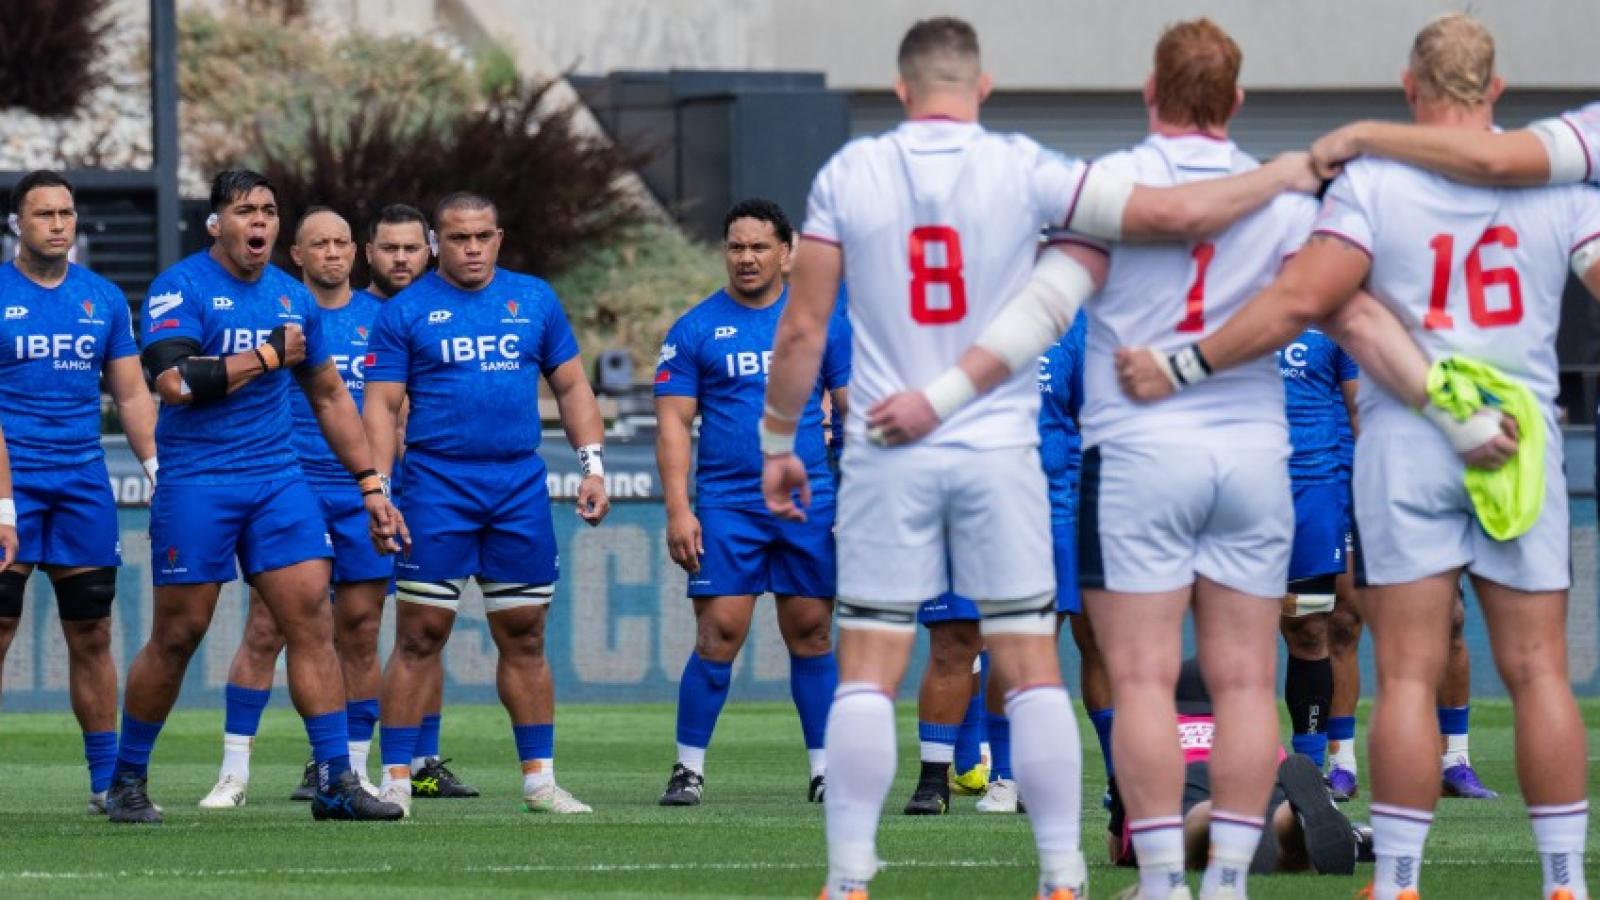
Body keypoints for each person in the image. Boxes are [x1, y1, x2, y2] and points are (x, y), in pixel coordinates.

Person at [758, 17, 1317, 900]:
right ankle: (1072, 873)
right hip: (1015, 450)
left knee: (869, 663)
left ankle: (850, 876)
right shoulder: (1031, 169)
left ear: (902, 90)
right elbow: (1186, 222)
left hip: (894, 443)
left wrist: (778, 439)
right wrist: (1285, 172)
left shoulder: (847, 172)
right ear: (981, 89)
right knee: (1045, 668)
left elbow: (801, 329)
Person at [1115, 15, 1594, 899]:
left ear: (1409, 87)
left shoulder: (1373, 180)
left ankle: (1401, 880)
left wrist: (1186, 361)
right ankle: (1564, 883)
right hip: (1518, 436)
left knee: (1406, 672)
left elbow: (1308, 298)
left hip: (1409, 438)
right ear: (1496, 90)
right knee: (1538, 672)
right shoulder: (1562, 181)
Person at [108, 169, 408, 824]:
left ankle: (335, 779)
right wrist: (268, 357)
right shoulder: (179, 288)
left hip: (278, 481)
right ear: (217, 222)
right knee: (178, 635)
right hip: (199, 481)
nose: (261, 222)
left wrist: (369, 485)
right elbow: (177, 384)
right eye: (246, 210)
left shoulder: (290, 298)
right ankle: (127, 778)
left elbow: (330, 395)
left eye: (269, 211)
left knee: (313, 623)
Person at [364, 191, 609, 817]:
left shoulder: (534, 299)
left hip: (517, 486)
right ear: (434, 245)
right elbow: (383, 406)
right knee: (420, 635)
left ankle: (540, 781)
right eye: (457, 237)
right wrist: (379, 490)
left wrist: (593, 466)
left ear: (498, 238)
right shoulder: (406, 311)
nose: (470, 248)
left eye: (481, 236)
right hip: (436, 486)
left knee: (525, 635)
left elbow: (573, 384)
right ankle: (396, 778)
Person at [653, 198, 845, 807]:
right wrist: (679, 509)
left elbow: (854, 408)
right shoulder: (696, 329)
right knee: (719, 631)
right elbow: (674, 425)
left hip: (807, 499)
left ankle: (824, 772)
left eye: (760, 247)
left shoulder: (823, 321)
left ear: (787, 254)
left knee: (811, 631)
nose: (747, 258)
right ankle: (688, 770)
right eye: (736, 247)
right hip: (728, 503)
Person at [0, 170, 149, 813]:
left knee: (92, 631)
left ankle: (106, 786)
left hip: (82, 484)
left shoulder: (104, 298)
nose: (59, 224)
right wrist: (3, 502)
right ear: (16, 224)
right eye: (44, 214)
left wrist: (157, 470)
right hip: (9, 481)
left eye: (66, 213)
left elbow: (133, 392)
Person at [360, 203, 476, 799]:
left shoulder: (453, 311)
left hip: (431, 493)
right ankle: (341, 756)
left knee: (427, 629)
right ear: (369, 253)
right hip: (354, 491)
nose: (400, 258)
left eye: (411, 248)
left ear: (429, 249)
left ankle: (421, 759)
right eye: (389, 248)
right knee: (345, 626)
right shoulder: (349, 314)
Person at [978, 312, 1114, 817]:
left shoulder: (1077, 328)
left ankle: (1121, 777)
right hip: (1004, 506)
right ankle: (1006, 777)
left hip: (1068, 505)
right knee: (1013, 638)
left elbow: (1094, 419)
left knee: (1096, 639)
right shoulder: (981, 316)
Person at [1106, 658, 1359, 877]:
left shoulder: (1152, 732)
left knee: (1175, 846)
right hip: (1253, 776)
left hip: (1178, 780)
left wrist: (1118, 834)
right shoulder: (1255, 731)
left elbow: (1120, 810)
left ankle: (1210, 816)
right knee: (1289, 856)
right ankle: (1288, 819)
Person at [1275, 328, 1358, 771]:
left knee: (1309, 629)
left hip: (1313, 488)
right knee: (1232, 631)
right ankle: (1217, 767)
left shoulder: (1335, 310)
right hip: (1237, 481)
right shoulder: (1227, 289)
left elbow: (1358, 409)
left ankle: (1309, 771)